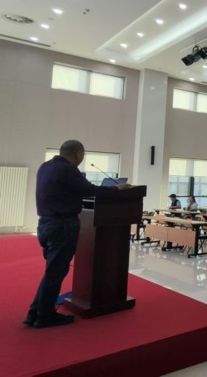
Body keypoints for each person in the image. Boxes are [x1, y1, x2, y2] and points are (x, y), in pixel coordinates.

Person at [26, 140, 131, 328]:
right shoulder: (68, 169)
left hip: (46, 224)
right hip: (62, 225)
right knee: (55, 273)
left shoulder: (46, 166)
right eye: (82, 155)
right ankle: (45, 315)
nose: (82, 159)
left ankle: (35, 312)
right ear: (78, 154)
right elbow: (89, 190)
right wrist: (116, 188)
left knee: (52, 271)